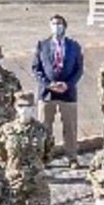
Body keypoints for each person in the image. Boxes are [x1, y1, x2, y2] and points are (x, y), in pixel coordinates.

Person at [32, 13, 84, 166]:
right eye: (54, 23)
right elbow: (36, 68)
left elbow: (79, 69)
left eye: (59, 24)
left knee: (70, 127)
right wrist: (48, 84)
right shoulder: (42, 45)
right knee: (45, 127)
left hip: (68, 93)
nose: (57, 26)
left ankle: (72, 157)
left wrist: (68, 84)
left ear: (64, 27)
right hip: (47, 93)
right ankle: (45, 156)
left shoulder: (74, 46)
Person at [0, 89, 56, 205]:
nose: (25, 109)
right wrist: (12, 170)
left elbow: (48, 153)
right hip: (13, 183)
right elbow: (0, 155)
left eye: (28, 106)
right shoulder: (6, 130)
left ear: (33, 108)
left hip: (37, 183)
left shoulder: (42, 130)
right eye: (21, 106)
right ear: (15, 107)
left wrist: (36, 168)